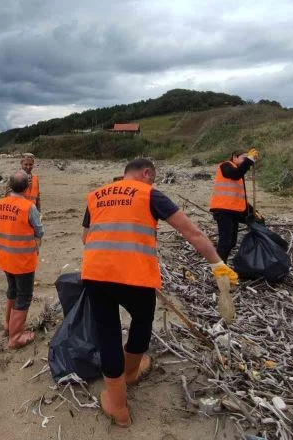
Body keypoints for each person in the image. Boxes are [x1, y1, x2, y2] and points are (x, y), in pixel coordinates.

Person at [81, 158, 239, 426]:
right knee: (142, 321)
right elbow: (192, 233)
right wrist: (217, 263)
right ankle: (130, 371)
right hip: (135, 277)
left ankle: (118, 408)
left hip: (96, 274)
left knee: (107, 333)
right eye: (152, 177)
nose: (152, 182)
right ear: (146, 173)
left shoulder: (96, 195)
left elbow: (86, 237)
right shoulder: (149, 193)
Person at [0, 170, 44, 349]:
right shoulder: (28, 207)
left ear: (10, 186)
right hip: (22, 259)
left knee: (12, 291)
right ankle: (15, 337)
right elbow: (39, 230)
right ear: (27, 187)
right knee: (24, 296)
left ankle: (8, 326)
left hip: (5, 257)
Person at [208, 148, 259, 261]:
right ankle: (220, 268)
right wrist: (249, 160)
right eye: (243, 158)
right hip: (223, 210)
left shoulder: (239, 170)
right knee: (225, 242)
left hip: (234, 210)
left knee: (231, 242)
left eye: (246, 158)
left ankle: (223, 264)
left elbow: (238, 197)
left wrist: (253, 211)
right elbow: (235, 174)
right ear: (234, 157)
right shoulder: (226, 166)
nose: (245, 160)